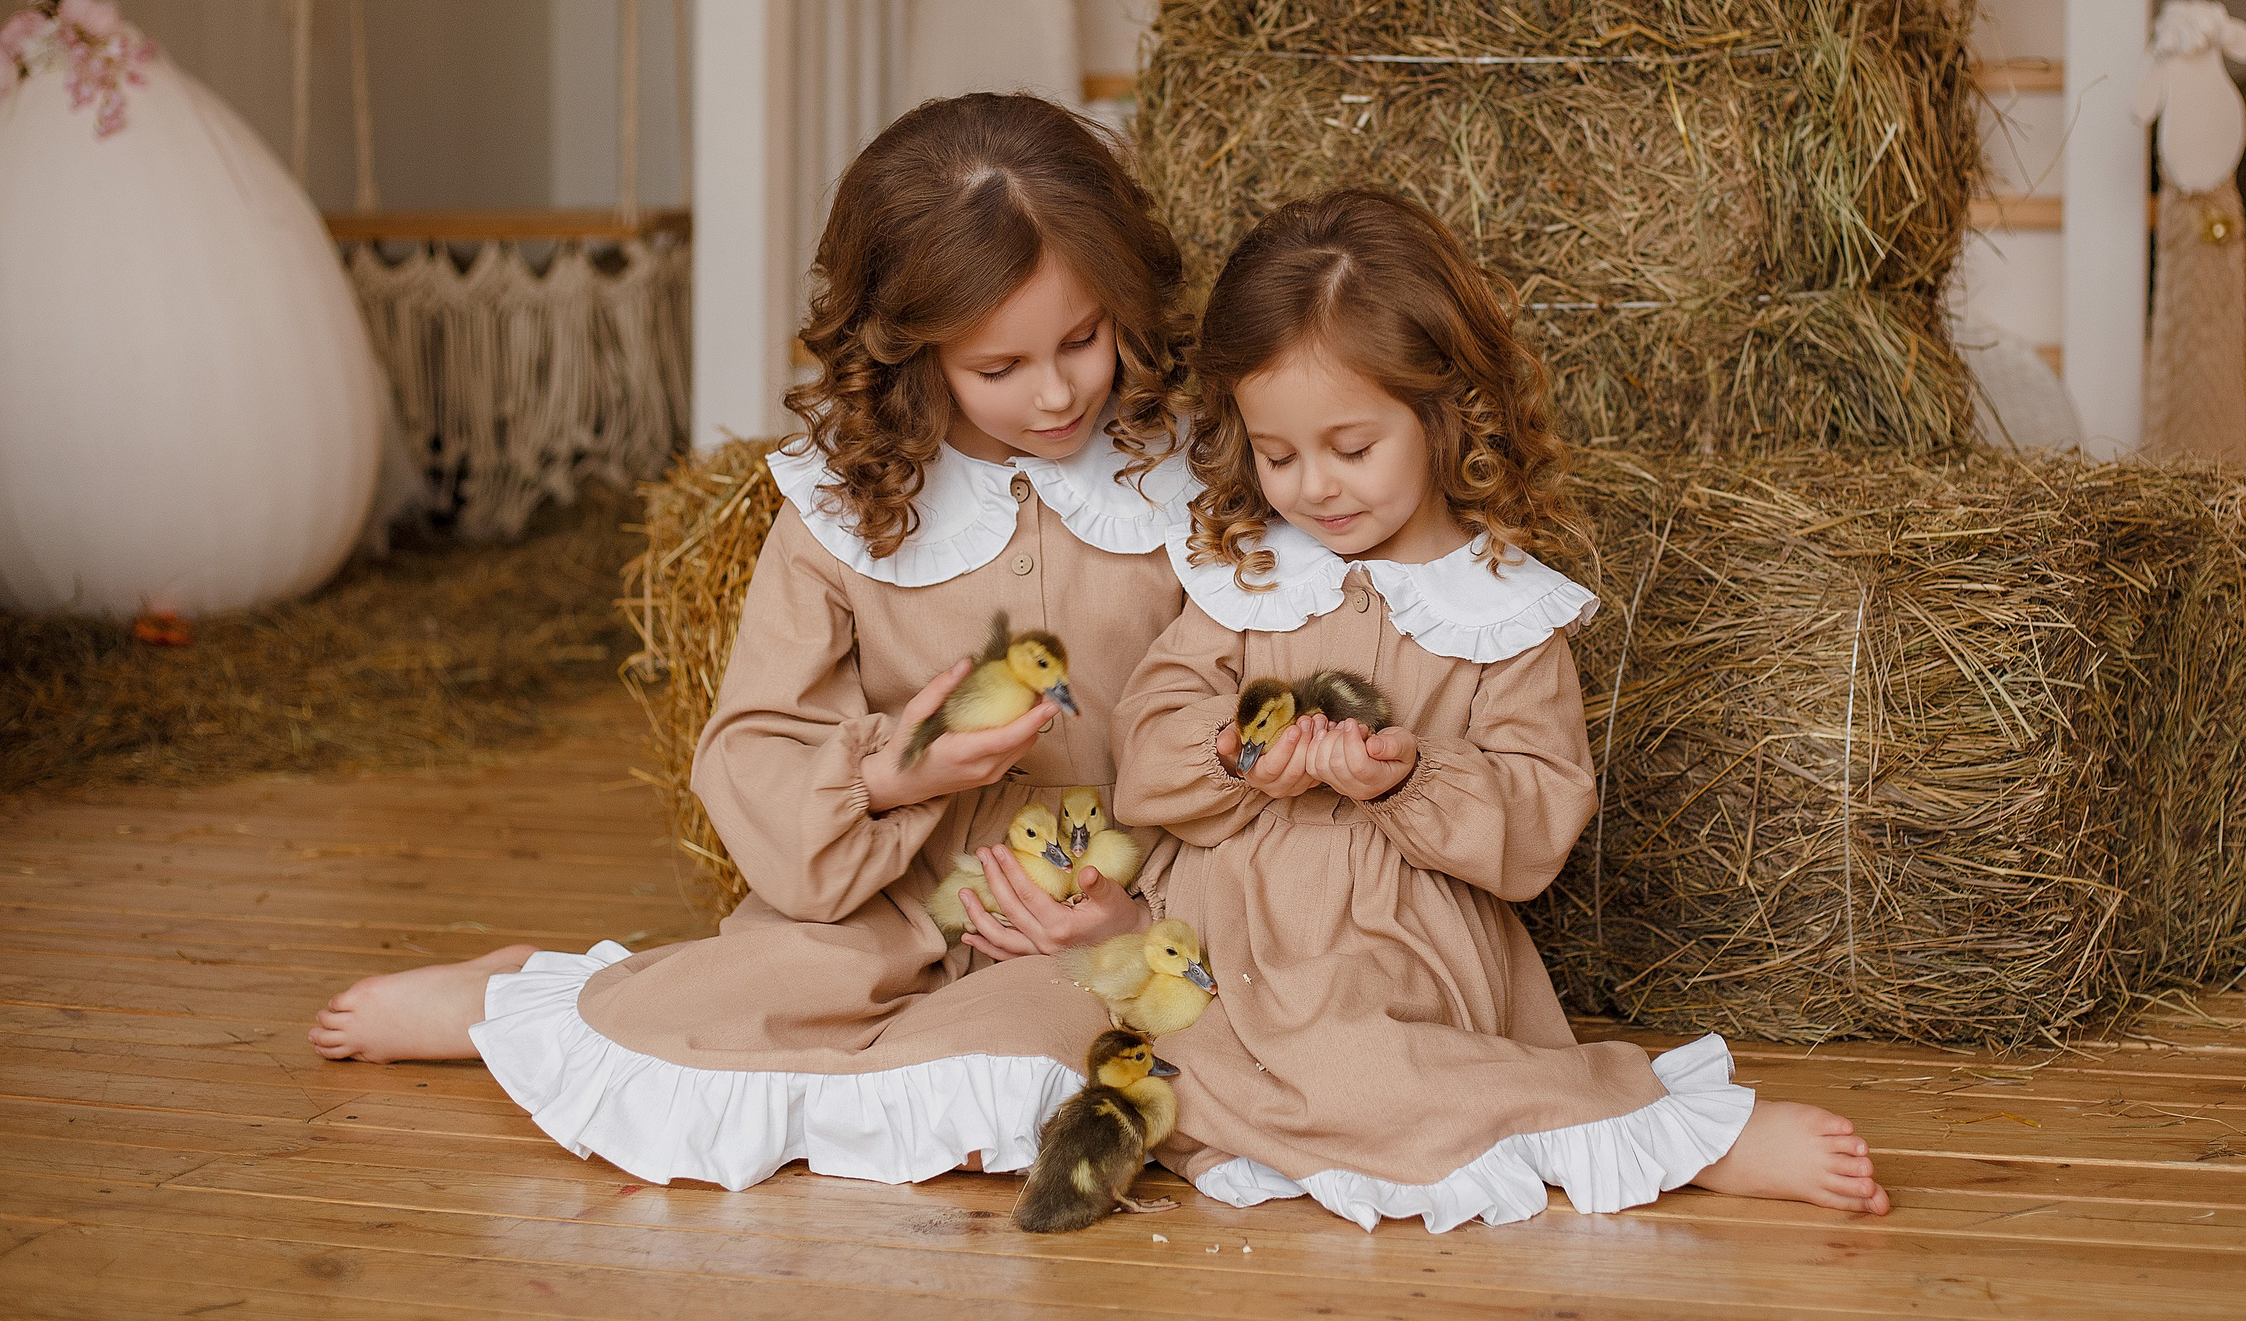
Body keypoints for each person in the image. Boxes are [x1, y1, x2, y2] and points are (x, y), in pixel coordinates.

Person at [308, 93, 1197, 1190]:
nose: (1058, 390)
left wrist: (1139, 910)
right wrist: (887, 767)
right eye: (998, 367)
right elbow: (754, 739)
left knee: (1032, 1067)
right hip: (886, 901)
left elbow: (1241, 714)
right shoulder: (842, 506)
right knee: (715, 1011)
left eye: (1082, 338)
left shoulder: (1185, 480)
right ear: (909, 352)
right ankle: (528, 997)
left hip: (1097, 913)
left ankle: (961, 1027)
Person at [1112, 188, 1892, 1230]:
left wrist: (1408, 776)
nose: (1314, 487)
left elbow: (1534, 818)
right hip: (1214, 928)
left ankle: (1680, 1129)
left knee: (1354, 1065)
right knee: (1102, 1041)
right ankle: (1290, 1109)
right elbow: (1150, 733)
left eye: (1351, 446)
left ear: (1443, 412)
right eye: (1278, 452)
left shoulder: (1501, 609)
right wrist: (1233, 752)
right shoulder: (1244, 572)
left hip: (1382, 948)